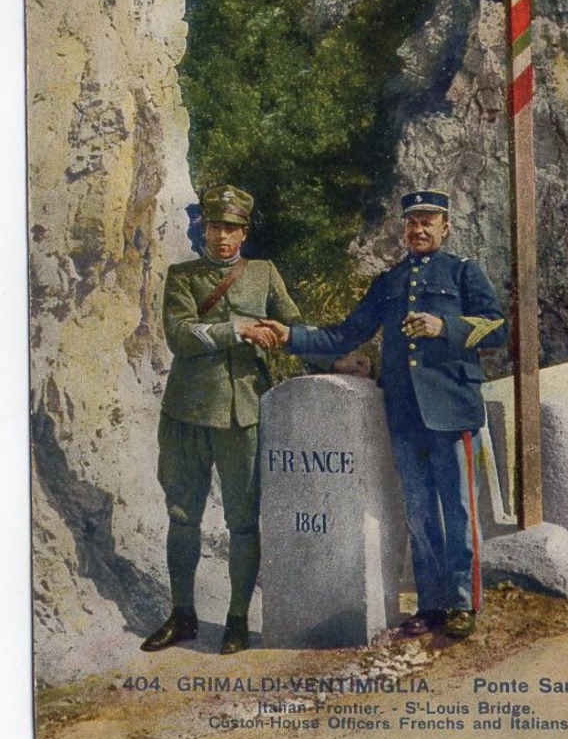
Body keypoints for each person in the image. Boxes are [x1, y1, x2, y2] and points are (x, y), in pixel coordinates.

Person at [257, 189, 507, 640]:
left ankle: (462, 603)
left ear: (446, 226)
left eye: (428, 221)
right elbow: (344, 334)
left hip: (451, 408)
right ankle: (431, 604)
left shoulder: (464, 272)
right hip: (405, 411)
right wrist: (290, 336)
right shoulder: (389, 282)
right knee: (418, 511)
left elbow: (498, 327)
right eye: (411, 222)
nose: (419, 229)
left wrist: (444, 326)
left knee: (459, 509)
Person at [140, 184, 299, 655]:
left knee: (243, 521)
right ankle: (182, 613)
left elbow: (293, 322)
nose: (222, 237)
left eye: (231, 229)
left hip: (242, 413)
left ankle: (236, 619)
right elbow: (179, 336)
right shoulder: (183, 275)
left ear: (244, 233)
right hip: (187, 411)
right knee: (182, 515)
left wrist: (282, 331)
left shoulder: (265, 274)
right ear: (203, 230)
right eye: (214, 227)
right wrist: (238, 330)